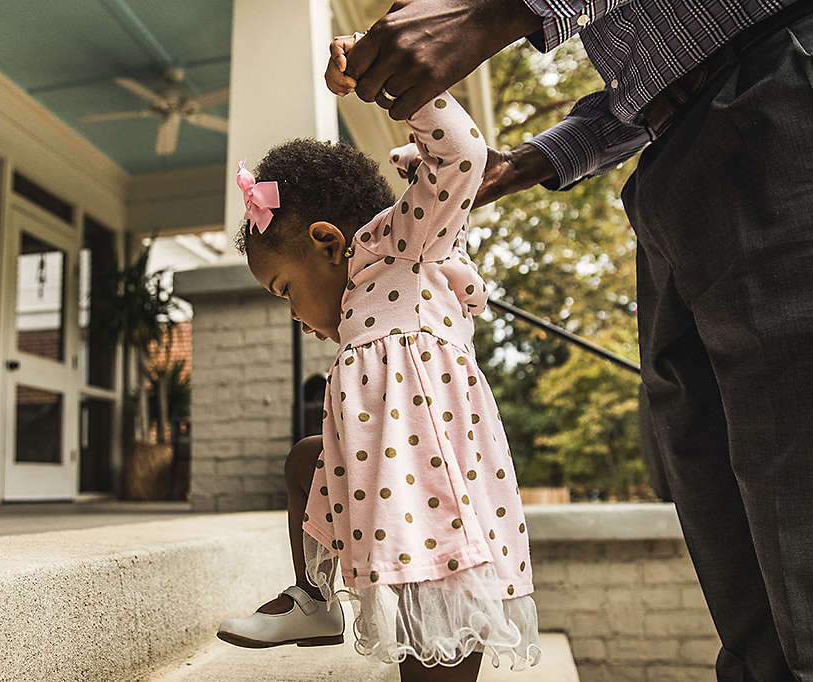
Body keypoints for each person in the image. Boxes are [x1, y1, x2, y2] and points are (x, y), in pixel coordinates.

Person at [337, 0, 813, 679]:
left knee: (794, 469)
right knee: (716, 486)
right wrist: (519, 165)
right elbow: (637, 89)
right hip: (675, 153)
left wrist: (493, 14)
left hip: (779, 87)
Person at [215, 37, 541, 681]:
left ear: (327, 243)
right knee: (307, 461)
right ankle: (315, 600)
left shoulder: (404, 246)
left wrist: (387, 78)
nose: (294, 317)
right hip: (381, 469)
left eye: (286, 291)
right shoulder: (363, 295)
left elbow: (463, 156)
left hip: (430, 486)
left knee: (435, 625)